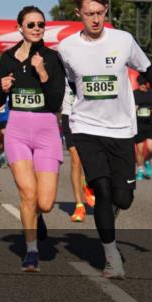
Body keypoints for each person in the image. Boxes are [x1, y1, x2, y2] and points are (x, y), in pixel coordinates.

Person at [57, 0, 152, 280]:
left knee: (123, 198)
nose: (95, 20)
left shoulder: (123, 40)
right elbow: (71, 85)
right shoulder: (67, 48)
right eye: (88, 14)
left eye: (99, 13)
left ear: (106, 11)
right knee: (102, 189)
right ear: (78, 14)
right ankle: (111, 257)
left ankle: (109, 215)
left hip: (122, 128)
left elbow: (146, 68)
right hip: (86, 127)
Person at [0, 5, 67, 271]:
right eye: (31, 24)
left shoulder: (52, 57)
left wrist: (43, 73)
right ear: (20, 28)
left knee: (45, 203)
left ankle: (37, 215)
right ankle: (32, 251)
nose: (37, 28)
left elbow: (56, 101)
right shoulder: (8, 58)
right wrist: (1, 89)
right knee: (27, 192)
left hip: (47, 130)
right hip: (18, 131)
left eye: (41, 24)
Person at [62, 85, 92, 222]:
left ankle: (87, 182)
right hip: (68, 114)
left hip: (90, 115)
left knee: (89, 157)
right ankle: (79, 205)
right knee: (75, 159)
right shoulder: (61, 66)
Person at [133, 77, 152, 181]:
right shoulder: (134, 94)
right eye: (140, 83)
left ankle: (147, 160)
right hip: (138, 124)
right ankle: (140, 171)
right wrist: (133, 108)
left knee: (151, 148)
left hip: (150, 123)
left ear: (147, 84)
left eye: (144, 83)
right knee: (139, 150)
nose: (142, 85)